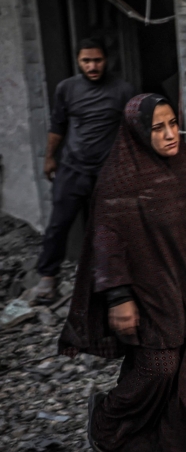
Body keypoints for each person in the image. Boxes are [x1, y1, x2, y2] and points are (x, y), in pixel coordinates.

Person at [59, 93, 186, 452]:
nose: (171, 134)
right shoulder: (120, 179)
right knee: (160, 364)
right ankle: (106, 419)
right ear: (139, 131)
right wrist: (118, 297)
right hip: (151, 286)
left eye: (173, 123)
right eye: (158, 128)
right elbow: (107, 242)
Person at [34, 37, 135, 303]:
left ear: (106, 60)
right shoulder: (67, 88)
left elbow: (133, 130)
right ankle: (48, 277)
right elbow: (58, 125)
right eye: (86, 61)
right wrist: (49, 158)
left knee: (108, 226)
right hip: (71, 168)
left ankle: (111, 281)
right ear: (78, 61)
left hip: (106, 172)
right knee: (58, 224)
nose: (92, 66)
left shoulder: (123, 90)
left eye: (97, 60)